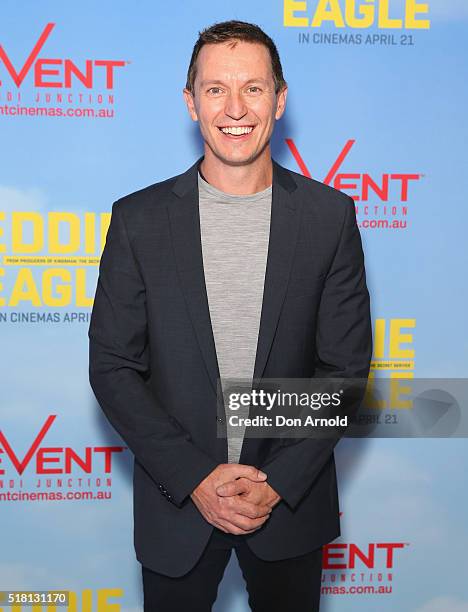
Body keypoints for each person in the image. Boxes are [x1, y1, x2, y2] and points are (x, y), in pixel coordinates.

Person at [88, 19, 372, 612]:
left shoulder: (329, 218)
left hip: (290, 510)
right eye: (216, 89)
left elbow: (342, 371)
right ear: (191, 103)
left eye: (253, 87)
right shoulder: (137, 221)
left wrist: (276, 484)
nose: (235, 108)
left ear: (280, 99)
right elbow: (113, 367)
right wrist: (196, 476)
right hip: (178, 513)